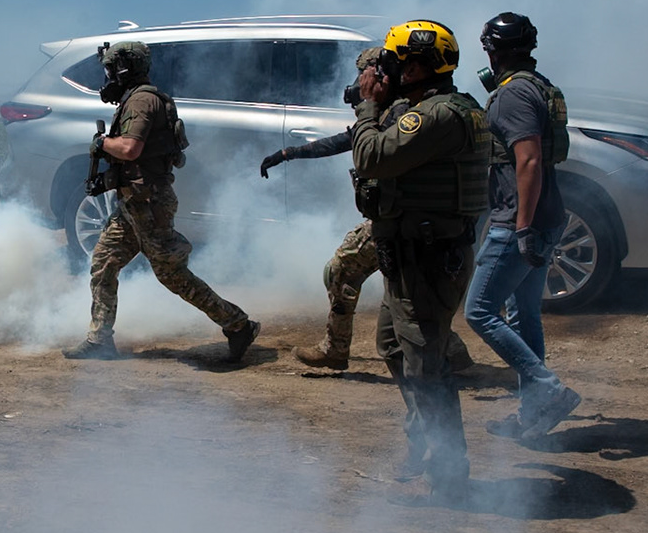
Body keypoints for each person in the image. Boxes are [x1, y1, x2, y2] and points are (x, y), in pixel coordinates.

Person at [258, 45, 474, 376]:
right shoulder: (394, 110)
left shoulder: (403, 112)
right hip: (396, 220)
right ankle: (451, 354)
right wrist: (290, 153)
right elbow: (347, 140)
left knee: (345, 270)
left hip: (400, 222)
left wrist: (368, 108)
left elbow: (371, 153)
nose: (361, 82)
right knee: (406, 299)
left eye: (367, 74)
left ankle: (337, 350)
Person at [351, 21, 491, 498]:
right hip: (410, 255)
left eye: (393, 60)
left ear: (415, 66)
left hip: (429, 257)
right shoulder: (426, 109)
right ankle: (426, 445)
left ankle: (450, 472)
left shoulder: (437, 117)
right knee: (393, 345)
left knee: (426, 365)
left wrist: (370, 104)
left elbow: (371, 156)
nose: (385, 69)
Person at [64, 41, 261, 362]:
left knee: (173, 275)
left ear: (126, 69)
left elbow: (129, 149)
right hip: (132, 204)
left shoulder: (142, 101)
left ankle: (238, 325)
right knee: (103, 263)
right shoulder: (134, 99)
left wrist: (102, 143)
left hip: (149, 204)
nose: (108, 76)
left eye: (111, 69)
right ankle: (99, 338)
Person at [464, 13, 583, 439]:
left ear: (493, 51)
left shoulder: (512, 96)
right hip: (545, 215)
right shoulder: (541, 87)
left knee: (479, 311)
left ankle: (548, 389)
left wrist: (521, 227)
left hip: (520, 220)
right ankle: (533, 415)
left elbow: (528, 160)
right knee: (523, 313)